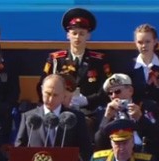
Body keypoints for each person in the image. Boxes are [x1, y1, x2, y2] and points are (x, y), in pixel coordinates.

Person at [38, 7, 112, 135]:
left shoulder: (99, 60)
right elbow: (41, 85)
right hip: (59, 108)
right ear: (68, 35)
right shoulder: (56, 60)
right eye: (74, 33)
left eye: (82, 33)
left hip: (89, 112)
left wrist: (86, 100)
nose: (77, 37)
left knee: (85, 125)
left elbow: (106, 89)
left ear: (88, 35)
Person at [95, 73, 159, 159]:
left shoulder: (147, 106)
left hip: (144, 155)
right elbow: (98, 143)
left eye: (117, 91)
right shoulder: (104, 111)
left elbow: (158, 136)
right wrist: (107, 118)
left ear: (130, 91)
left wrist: (140, 118)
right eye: (110, 93)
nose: (113, 96)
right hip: (116, 156)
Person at [129, 24, 159, 142]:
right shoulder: (129, 67)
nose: (144, 46)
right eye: (140, 42)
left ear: (155, 41)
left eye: (147, 41)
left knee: (156, 135)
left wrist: (157, 111)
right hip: (135, 116)